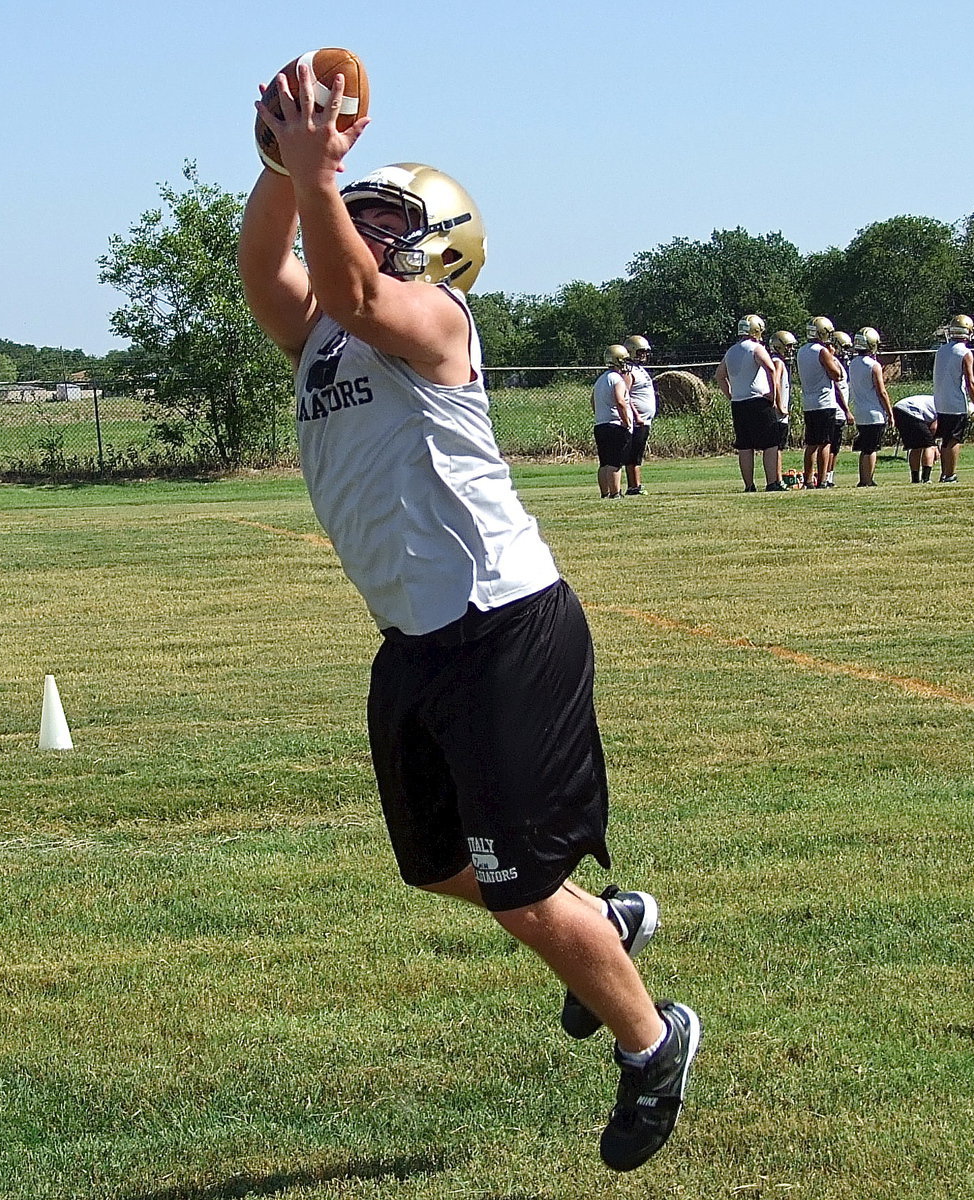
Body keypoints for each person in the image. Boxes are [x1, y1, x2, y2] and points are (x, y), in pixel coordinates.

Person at [239, 58, 699, 1174]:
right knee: (441, 863)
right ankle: (610, 918)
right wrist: (279, 163)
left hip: (502, 627)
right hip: (416, 641)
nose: (360, 220)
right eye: (357, 209)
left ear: (445, 243)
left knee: (519, 889)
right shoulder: (323, 336)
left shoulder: (436, 317)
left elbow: (349, 289)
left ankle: (655, 1043)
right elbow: (267, 270)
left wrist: (317, 169)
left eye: (386, 212)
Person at [715, 314, 784, 491]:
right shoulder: (756, 348)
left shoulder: (731, 351)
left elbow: (719, 376)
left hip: (738, 403)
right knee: (770, 443)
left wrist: (731, 395)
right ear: (756, 330)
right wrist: (773, 394)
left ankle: (749, 485)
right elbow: (770, 368)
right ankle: (771, 483)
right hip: (758, 401)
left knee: (745, 446)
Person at [797, 316, 848, 488]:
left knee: (811, 444)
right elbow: (836, 374)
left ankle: (808, 479)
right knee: (825, 442)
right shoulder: (821, 351)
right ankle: (823, 478)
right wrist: (832, 358)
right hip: (824, 402)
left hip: (808, 402)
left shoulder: (802, 351)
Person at [932, 314, 974, 482]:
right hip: (955, 402)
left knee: (945, 439)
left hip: (940, 401)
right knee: (954, 439)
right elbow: (970, 382)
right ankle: (950, 474)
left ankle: (944, 473)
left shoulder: (941, 350)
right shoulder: (965, 353)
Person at [848, 328, 894, 486]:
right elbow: (881, 391)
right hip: (873, 412)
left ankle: (863, 478)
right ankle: (867, 480)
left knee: (865, 448)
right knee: (871, 449)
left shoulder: (853, 363)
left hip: (860, 411)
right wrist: (890, 412)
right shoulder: (874, 365)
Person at [593, 345, 635, 499]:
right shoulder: (617, 379)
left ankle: (604, 493)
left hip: (600, 424)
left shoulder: (600, 379)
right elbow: (620, 401)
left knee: (604, 462)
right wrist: (626, 421)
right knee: (615, 462)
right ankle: (615, 493)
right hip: (615, 424)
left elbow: (593, 401)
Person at [623, 335, 657, 495]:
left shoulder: (639, 369)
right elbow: (625, 395)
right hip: (637, 421)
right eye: (640, 351)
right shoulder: (628, 371)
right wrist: (636, 415)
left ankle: (636, 485)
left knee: (638, 452)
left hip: (644, 419)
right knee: (633, 454)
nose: (644, 355)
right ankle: (633, 486)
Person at [824, 331, 855, 487]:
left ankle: (829, 476)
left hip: (838, 411)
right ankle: (826, 477)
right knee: (831, 446)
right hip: (835, 410)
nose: (845, 351)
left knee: (835, 447)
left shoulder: (838, 361)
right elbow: (836, 390)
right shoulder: (832, 361)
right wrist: (846, 410)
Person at [892, 393, 940, 482]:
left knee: (916, 447)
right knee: (929, 446)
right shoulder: (944, 407)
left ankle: (915, 479)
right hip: (911, 411)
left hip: (898, 409)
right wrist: (934, 445)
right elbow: (933, 428)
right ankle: (926, 478)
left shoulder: (937, 400)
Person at [769, 330, 798, 476]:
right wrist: (780, 405)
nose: (790, 350)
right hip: (778, 413)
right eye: (788, 346)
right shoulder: (777, 362)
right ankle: (777, 477)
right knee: (777, 447)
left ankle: (777, 477)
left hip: (779, 411)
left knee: (778, 446)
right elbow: (776, 383)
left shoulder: (777, 361)